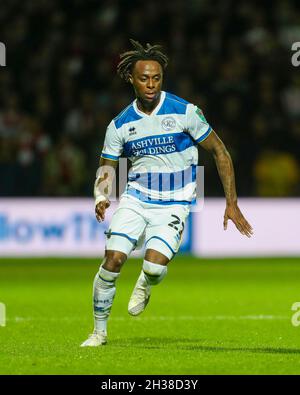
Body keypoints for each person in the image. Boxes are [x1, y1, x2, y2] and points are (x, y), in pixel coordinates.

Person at [81, 40, 253, 347]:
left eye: (156, 78)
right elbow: (107, 168)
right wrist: (101, 195)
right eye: (144, 78)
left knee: (156, 268)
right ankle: (98, 332)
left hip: (176, 200)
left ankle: (146, 281)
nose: (151, 84)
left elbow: (220, 152)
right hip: (137, 198)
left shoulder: (185, 111)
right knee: (113, 260)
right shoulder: (120, 124)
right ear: (131, 79)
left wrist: (232, 202)